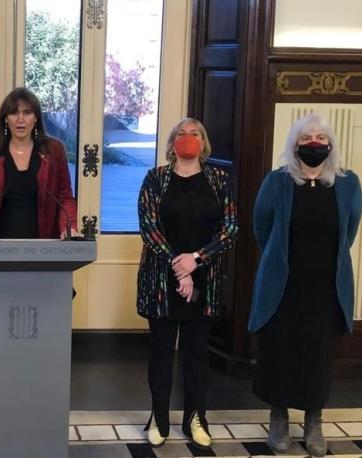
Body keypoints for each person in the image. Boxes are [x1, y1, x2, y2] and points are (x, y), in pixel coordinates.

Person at [249, 113, 361, 457]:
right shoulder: (278, 181)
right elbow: (261, 227)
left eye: (321, 138)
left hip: (326, 286)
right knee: (281, 351)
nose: (314, 143)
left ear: (330, 144)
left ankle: (314, 420)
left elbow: (350, 230)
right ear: (294, 144)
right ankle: (279, 417)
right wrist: (278, 261)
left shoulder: (347, 182)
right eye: (306, 138)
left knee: (318, 354)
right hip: (283, 285)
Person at [137, 118, 238, 449]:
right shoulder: (156, 178)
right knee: (162, 351)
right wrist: (178, 267)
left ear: (204, 143)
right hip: (162, 280)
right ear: (172, 142)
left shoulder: (219, 180)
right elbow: (149, 225)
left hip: (204, 280)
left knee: (197, 352)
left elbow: (230, 228)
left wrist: (196, 260)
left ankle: (196, 416)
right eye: (181, 133)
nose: (187, 138)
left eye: (194, 133)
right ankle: (159, 417)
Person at [0, 87, 78, 246]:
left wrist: (69, 228)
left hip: (44, 245)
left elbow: (65, 198)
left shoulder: (54, 150)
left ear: (36, 118)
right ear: (5, 118)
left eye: (27, 113)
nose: (20, 119)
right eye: (14, 113)